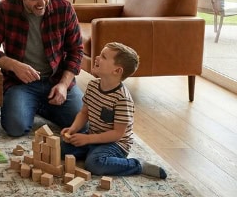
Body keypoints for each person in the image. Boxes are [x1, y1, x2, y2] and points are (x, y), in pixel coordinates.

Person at [0, 0, 83, 137]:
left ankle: (38, 106)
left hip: (56, 81)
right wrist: (13, 65)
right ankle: (34, 105)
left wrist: (64, 85)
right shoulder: (4, 9)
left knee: (82, 125)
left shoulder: (64, 8)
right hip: (20, 84)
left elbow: (76, 51)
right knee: (15, 128)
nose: (42, 3)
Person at [61, 42, 167, 179]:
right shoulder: (92, 86)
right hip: (94, 136)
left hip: (115, 144)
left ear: (117, 71)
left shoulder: (123, 99)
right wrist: (73, 129)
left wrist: (87, 139)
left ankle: (138, 165)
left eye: (104, 57)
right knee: (62, 148)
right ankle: (92, 151)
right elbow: (84, 113)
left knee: (94, 164)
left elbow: (117, 134)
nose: (97, 58)